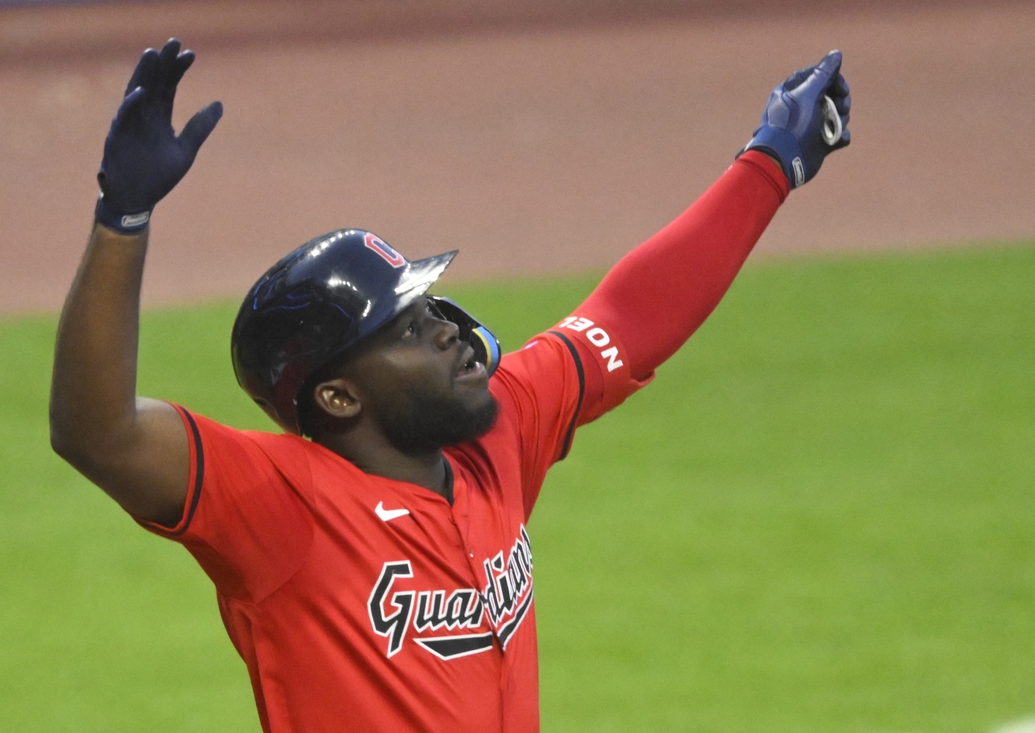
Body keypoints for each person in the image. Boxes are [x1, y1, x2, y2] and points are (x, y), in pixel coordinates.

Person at [49, 38, 850, 733]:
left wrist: (770, 163)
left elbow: (627, 317)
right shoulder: (284, 510)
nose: (444, 330)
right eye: (405, 329)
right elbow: (98, 432)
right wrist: (123, 219)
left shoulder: (496, 436)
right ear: (338, 396)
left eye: (430, 307)